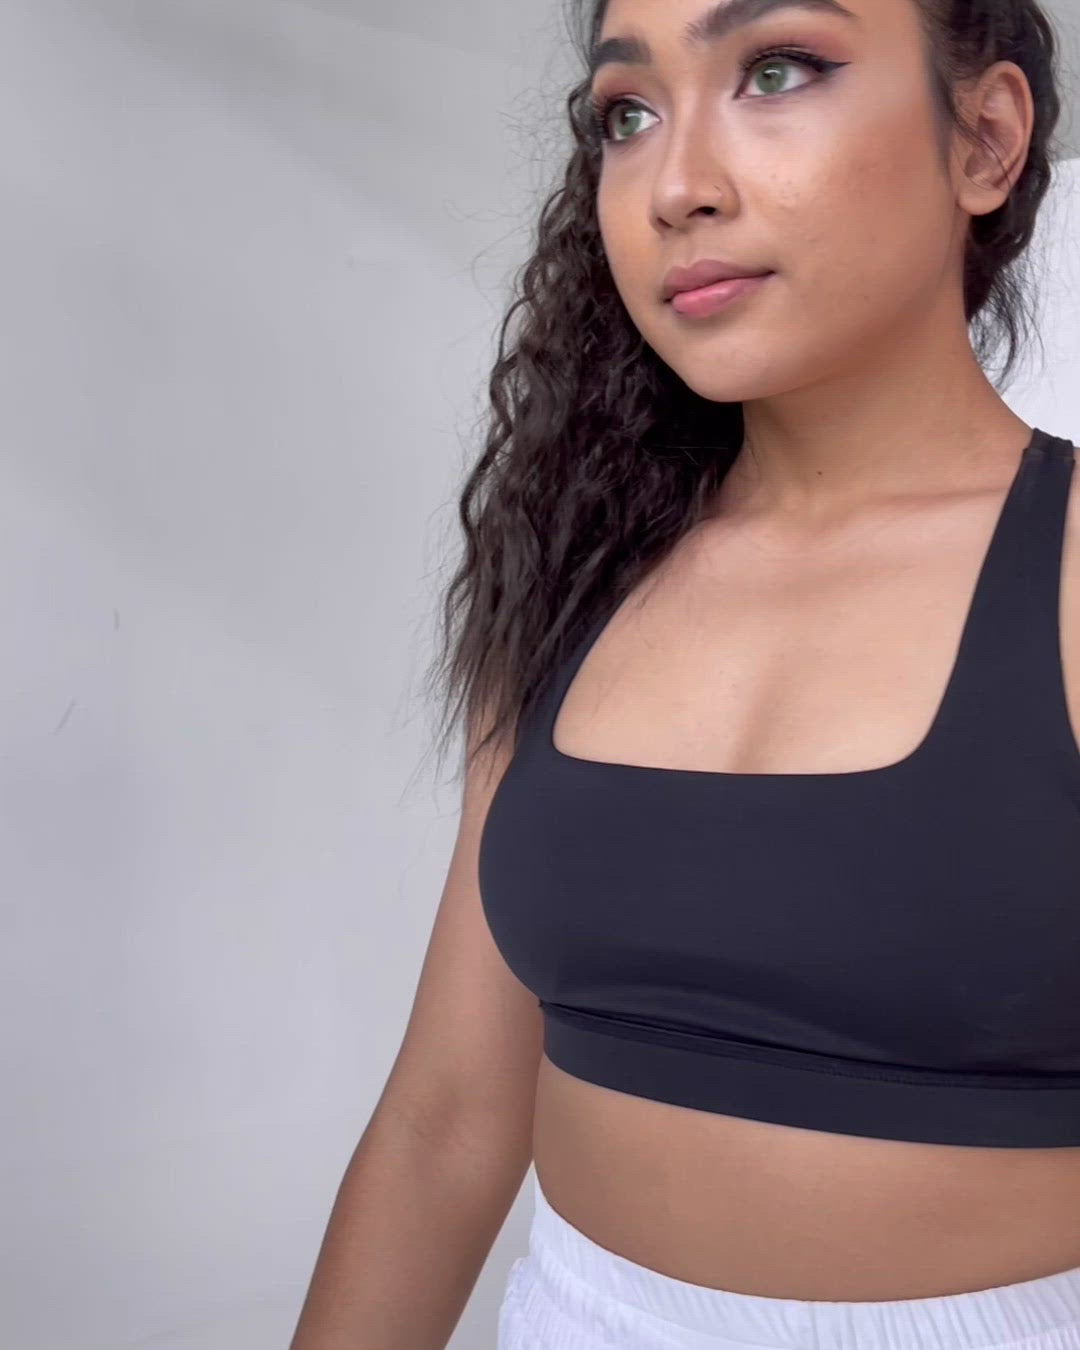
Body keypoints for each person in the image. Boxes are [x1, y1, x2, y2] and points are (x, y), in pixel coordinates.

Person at [289, 0, 1080, 1347]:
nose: (676, 186)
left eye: (777, 69)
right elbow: (447, 1123)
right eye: (628, 114)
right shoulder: (577, 571)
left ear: (987, 140)